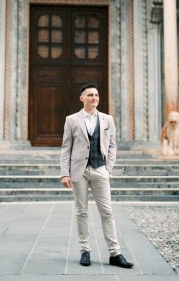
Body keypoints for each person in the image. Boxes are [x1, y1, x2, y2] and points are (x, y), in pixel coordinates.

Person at [60, 83, 134, 268]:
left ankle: (115, 253)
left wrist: (108, 168)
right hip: (79, 171)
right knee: (81, 212)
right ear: (82, 98)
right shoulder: (71, 120)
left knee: (107, 212)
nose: (94, 98)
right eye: (90, 95)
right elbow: (66, 148)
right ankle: (85, 251)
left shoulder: (107, 119)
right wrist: (64, 173)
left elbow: (112, 145)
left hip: (100, 169)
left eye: (97, 95)